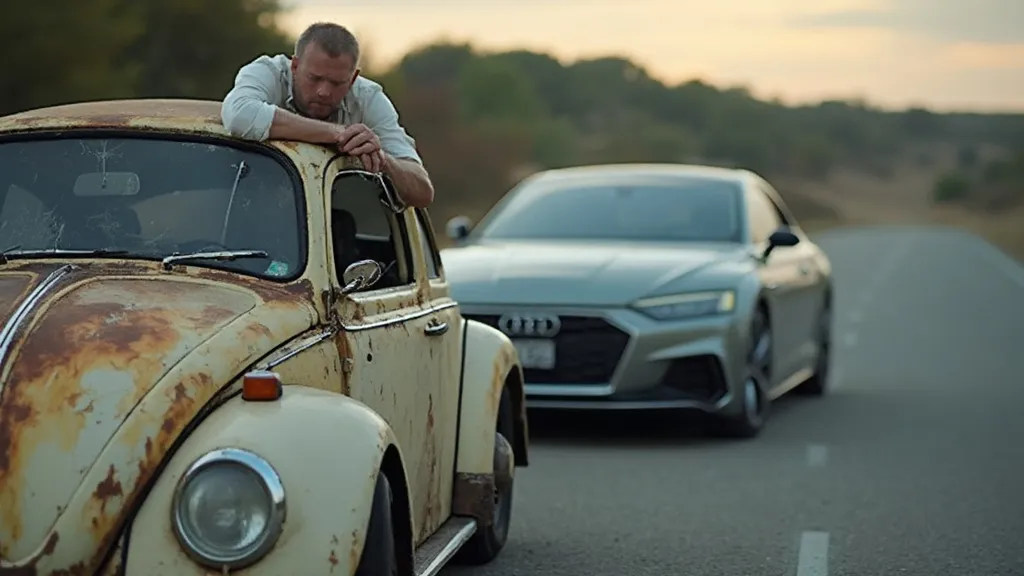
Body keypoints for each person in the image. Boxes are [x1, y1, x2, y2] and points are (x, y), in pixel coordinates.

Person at [221, 22, 434, 208]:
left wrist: (383, 159)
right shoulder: (268, 72)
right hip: (247, 204)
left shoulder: (368, 98)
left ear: (353, 78)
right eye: (314, 78)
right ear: (294, 65)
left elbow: (423, 192)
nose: (323, 91)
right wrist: (337, 134)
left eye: (337, 83)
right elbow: (239, 115)